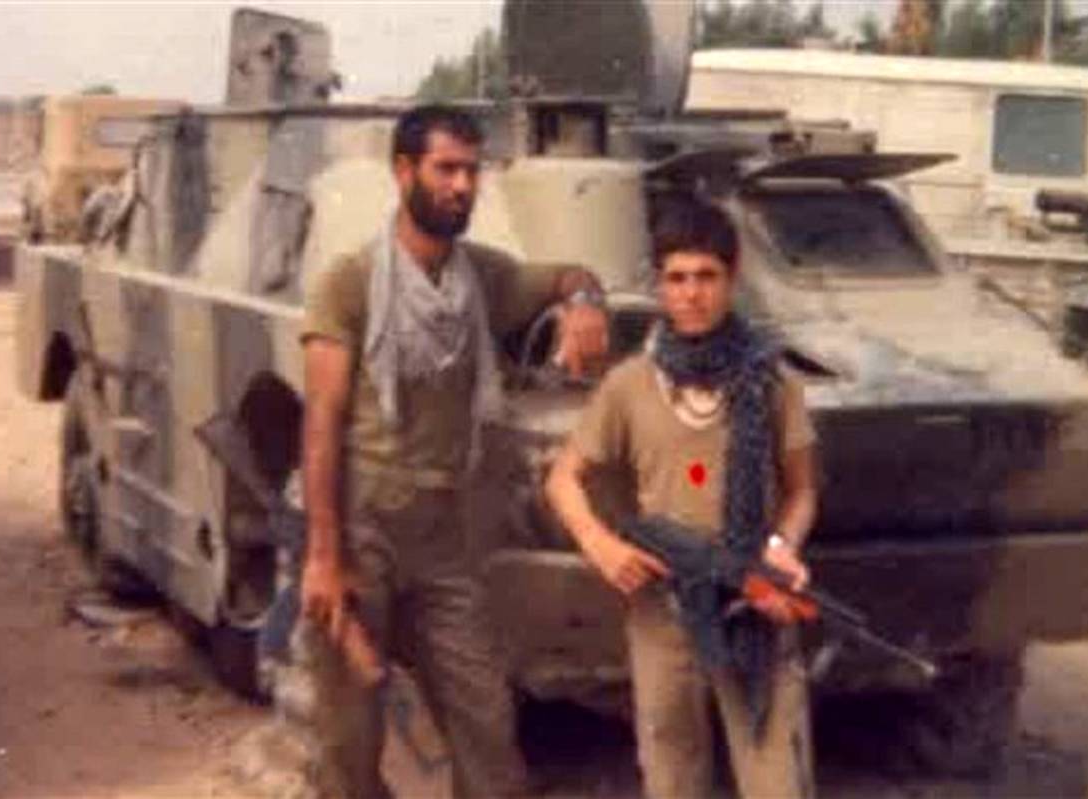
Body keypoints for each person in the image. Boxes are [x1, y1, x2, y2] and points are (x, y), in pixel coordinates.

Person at [291, 104, 609, 798]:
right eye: (445, 169)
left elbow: (570, 274)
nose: (462, 186)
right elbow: (321, 424)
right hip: (362, 525)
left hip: (446, 536)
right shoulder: (350, 283)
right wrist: (323, 556)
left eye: (471, 170)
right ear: (403, 171)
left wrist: (586, 301)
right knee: (350, 737)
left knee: (486, 724)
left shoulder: (481, 278)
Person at [545, 196, 819, 798]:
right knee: (671, 775)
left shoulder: (771, 382)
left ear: (731, 277)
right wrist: (600, 545)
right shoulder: (630, 385)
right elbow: (563, 477)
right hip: (663, 611)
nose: (691, 295)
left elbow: (802, 490)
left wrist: (781, 545)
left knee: (777, 778)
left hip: (753, 602)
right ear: (660, 285)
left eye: (706, 277)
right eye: (677, 278)